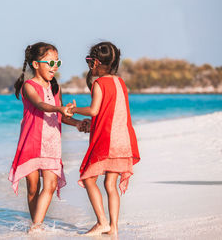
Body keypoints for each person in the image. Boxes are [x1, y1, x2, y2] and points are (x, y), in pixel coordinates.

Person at [8, 42, 89, 232]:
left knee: (50, 185)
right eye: (50, 63)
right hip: (32, 143)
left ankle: (36, 226)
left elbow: (59, 115)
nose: (54, 68)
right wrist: (59, 108)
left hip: (52, 143)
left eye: (57, 63)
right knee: (33, 187)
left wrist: (77, 123)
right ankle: (35, 222)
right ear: (36, 64)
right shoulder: (29, 86)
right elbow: (40, 105)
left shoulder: (55, 88)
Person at [69, 41, 140, 236]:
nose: (88, 65)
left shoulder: (100, 83)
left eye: (89, 61)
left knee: (89, 178)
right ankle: (114, 227)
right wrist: (94, 124)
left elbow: (94, 110)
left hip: (107, 140)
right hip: (123, 140)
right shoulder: (120, 82)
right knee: (110, 185)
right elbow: (114, 112)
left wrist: (73, 109)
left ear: (96, 63)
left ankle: (102, 222)